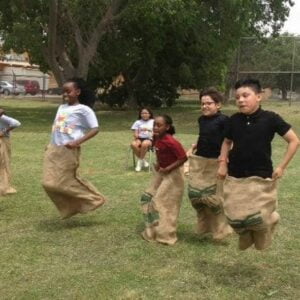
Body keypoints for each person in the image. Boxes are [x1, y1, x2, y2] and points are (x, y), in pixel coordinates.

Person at [218, 78, 299, 250]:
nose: (240, 100)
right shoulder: (233, 120)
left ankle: (270, 219)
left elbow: (294, 141)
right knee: (233, 216)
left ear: (259, 96)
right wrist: (222, 163)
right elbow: (226, 142)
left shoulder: (271, 118)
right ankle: (246, 234)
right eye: (237, 96)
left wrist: (281, 167)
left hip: (261, 175)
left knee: (258, 217)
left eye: (245, 95)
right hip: (235, 175)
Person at [42, 78, 106, 219]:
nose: (65, 94)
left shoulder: (84, 109)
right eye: (63, 92)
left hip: (68, 150)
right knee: (47, 183)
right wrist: (50, 143)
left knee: (63, 182)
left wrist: (77, 142)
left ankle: (94, 198)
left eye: (68, 91)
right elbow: (57, 129)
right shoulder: (61, 108)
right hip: (53, 149)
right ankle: (71, 207)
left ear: (77, 92)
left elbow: (95, 129)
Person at [187, 88, 232, 240]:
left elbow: (229, 141)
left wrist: (224, 160)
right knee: (196, 195)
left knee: (214, 199)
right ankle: (204, 224)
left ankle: (221, 229)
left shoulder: (224, 120)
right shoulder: (201, 119)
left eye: (209, 103)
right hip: (200, 161)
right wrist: (194, 147)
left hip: (216, 162)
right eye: (202, 103)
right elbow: (203, 136)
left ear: (218, 105)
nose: (205, 106)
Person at [140, 114, 187, 245]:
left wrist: (168, 168)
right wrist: (159, 164)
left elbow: (183, 158)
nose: (155, 127)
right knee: (147, 198)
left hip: (173, 175)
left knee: (162, 202)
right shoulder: (155, 138)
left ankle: (166, 235)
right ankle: (153, 230)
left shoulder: (171, 141)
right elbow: (159, 151)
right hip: (162, 172)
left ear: (167, 127)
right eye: (154, 124)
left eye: (159, 125)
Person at [0, 108, 21, 196]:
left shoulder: (2, 118)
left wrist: (4, 131)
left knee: (3, 162)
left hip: (3, 140)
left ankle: (4, 186)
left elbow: (16, 123)